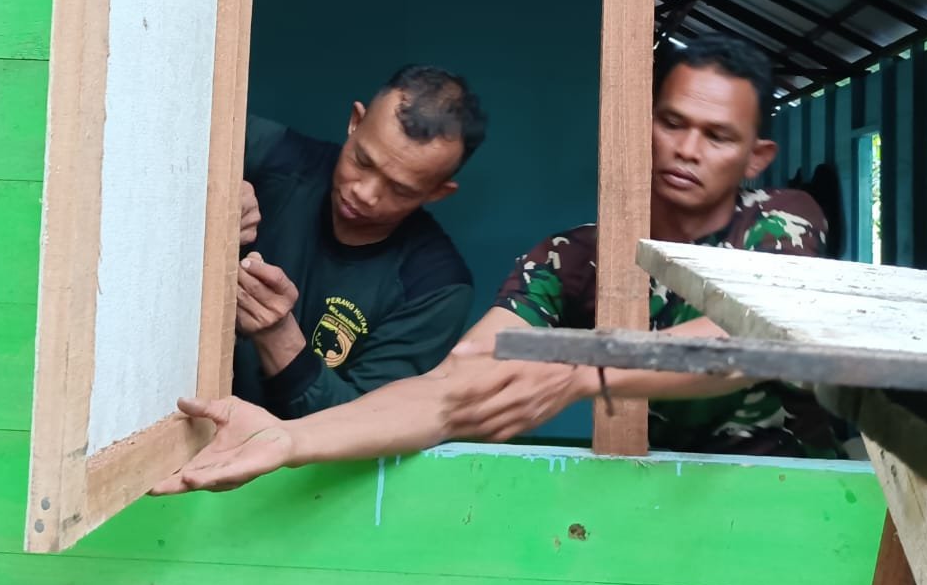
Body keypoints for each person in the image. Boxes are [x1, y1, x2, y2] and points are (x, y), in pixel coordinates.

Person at [155, 34, 840, 495]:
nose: (686, 149)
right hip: (648, 496)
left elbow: (746, 338)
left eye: (717, 136)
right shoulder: (572, 256)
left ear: (755, 158)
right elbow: (452, 389)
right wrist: (287, 441)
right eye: (672, 122)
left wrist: (582, 368)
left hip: (801, 497)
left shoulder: (782, 220)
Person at [230, 65, 486, 419]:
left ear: (437, 193)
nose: (365, 193)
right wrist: (215, 189)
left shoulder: (435, 287)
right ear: (355, 122)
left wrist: (278, 336)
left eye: (400, 189)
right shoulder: (274, 158)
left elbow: (363, 424)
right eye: (362, 161)